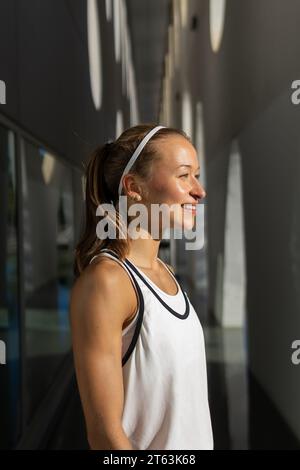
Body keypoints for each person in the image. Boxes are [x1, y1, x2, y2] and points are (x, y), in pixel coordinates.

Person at [70, 123, 214, 450]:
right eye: (183, 175)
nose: (199, 190)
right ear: (134, 187)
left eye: (197, 175)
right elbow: (106, 436)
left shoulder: (162, 271)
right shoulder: (107, 282)